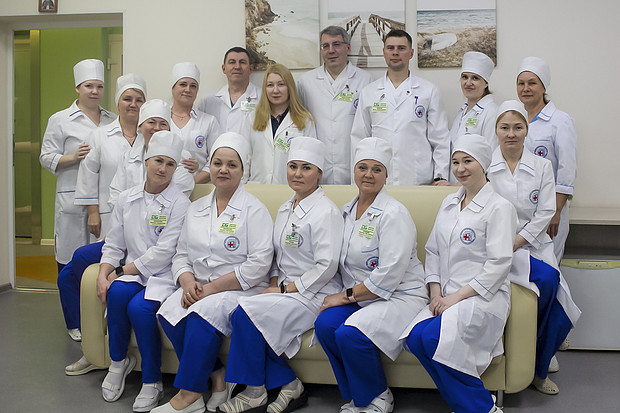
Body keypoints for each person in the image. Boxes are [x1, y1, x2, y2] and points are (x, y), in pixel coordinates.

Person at [218, 137, 343, 413]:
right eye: (293, 166)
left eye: (306, 168)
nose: (297, 173)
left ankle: (254, 391)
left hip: (313, 293)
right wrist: (274, 282)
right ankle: (288, 383)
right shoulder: (286, 207)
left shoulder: (326, 212)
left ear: (319, 173)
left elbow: (327, 265)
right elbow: (276, 254)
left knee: (245, 314)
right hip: (285, 290)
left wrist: (285, 289)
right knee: (240, 312)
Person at [154, 133, 274, 413]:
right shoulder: (196, 208)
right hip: (198, 286)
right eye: (218, 163)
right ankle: (217, 375)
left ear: (242, 170)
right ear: (210, 166)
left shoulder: (254, 210)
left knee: (201, 315)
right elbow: (181, 254)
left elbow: (258, 265)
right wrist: (187, 283)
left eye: (232, 165)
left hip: (239, 289)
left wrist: (208, 289)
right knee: (169, 313)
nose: (223, 170)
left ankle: (189, 396)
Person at [401, 134, 517, 413]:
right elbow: (433, 251)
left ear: (483, 164)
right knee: (415, 338)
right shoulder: (449, 203)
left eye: (468, 161)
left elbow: (499, 264)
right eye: (455, 162)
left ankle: (482, 407)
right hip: (446, 295)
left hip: (482, 296)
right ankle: (467, 405)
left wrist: (455, 298)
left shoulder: (500, 207)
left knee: (433, 338)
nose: (461, 168)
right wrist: (436, 292)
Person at [314, 137, 429, 413]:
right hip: (364, 296)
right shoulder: (346, 211)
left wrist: (344, 296)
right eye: (362, 167)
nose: (368, 174)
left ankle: (379, 396)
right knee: (325, 325)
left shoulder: (394, 214)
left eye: (377, 169)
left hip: (400, 296)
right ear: (354, 171)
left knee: (350, 333)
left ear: (386, 175)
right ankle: (358, 395)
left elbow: (389, 274)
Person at [488, 100, 580, 395]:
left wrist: (519, 240)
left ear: (526, 131)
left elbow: (546, 211)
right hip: (494, 247)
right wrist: (503, 242)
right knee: (542, 284)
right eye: (505, 127)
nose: (511, 134)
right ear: (496, 130)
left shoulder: (542, 166)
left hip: (533, 244)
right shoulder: (484, 165)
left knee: (554, 293)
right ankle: (524, 357)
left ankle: (538, 369)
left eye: (517, 127)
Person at [95, 132, 190, 411]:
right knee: (116, 293)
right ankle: (118, 362)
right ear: (147, 160)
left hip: (164, 275)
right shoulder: (127, 198)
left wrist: (120, 269)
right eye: (158, 161)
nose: (163, 168)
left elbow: (165, 252)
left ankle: (152, 380)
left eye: (170, 164)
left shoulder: (180, 203)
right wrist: (103, 274)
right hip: (134, 273)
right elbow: (114, 243)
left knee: (139, 308)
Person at [61, 73, 146, 374]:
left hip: (144, 228)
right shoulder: (100, 135)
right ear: (118, 102)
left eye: (139, 99)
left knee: (83, 271)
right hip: (110, 219)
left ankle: (100, 348)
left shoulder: (153, 134)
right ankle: (90, 340)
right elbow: (89, 176)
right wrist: (93, 213)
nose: (133, 104)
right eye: (127, 99)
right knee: (71, 275)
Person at [39, 59, 116, 277]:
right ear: (77, 88)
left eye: (99, 86)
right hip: (72, 200)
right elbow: (45, 157)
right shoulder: (60, 120)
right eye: (89, 86)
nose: (95, 91)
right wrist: (73, 157)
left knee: (102, 263)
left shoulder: (112, 120)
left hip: (105, 200)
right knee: (70, 264)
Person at [351, 29, 450, 185]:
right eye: (390, 48)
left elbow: (440, 139)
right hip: (378, 180)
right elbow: (359, 139)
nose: (395, 53)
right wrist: (358, 178)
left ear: (411, 53)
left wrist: (440, 175)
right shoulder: (369, 92)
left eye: (401, 48)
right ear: (384, 52)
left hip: (418, 178)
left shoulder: (428, 91)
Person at [517, 57, 577, 264]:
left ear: (543, 87)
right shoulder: (516, 119)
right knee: (521, 271)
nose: (526, 88)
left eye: (532, 83)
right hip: (520, 210)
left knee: (548, 267)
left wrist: (556, 211)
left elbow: (566, 170)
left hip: (550, 210)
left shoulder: (560, 121)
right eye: (521, 83)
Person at [297, 26, 373, 184]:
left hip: (352, 162)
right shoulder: (306, 82)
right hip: (318, 164)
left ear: (348, 48)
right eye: (325, 46)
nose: (331, 50)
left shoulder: (365, 80)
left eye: (336, 44)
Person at [108, 99, 195, 207]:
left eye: (163, 124)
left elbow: (179, 193)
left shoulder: (183, 157)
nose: (157, 128)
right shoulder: (128, 156)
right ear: (140, 126)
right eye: (151, 122)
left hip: (165, 214)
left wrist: (144, 213)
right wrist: (125, 213)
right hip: (127, 215)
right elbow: (116, 194)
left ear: (169, 128)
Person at [242, 63, 316, 184]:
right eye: (270, 85)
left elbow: (310, 160)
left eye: (281, 84)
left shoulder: (305, 120)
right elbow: (245, 157)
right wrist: (242, 187)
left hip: (289, 188)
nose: (275, 90)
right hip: (257, 187)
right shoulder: (252, 118)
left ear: (290, 87)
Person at [445, 51, 498, 183]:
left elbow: (491, 157)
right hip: (457, 185)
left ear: (486, 83)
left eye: (475, 78)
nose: (468, 83)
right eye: (465, 77)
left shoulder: (491, 112)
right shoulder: (462, 112)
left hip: (477, 187)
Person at [169, 62, 222, 184]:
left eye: (193, 86)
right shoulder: (161, 120)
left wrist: (191, 183)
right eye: (183, 84)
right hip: (163, 189)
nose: (188, 89)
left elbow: (216, 160)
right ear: (173, 88)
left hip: (200, 188)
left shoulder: (209, 122)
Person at [197, 47, 261, 134]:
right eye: (232, 62)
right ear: (224, 68)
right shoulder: (208, 100)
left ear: (250, 69)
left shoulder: (263, 97)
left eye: (242, 62)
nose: (237, 67)